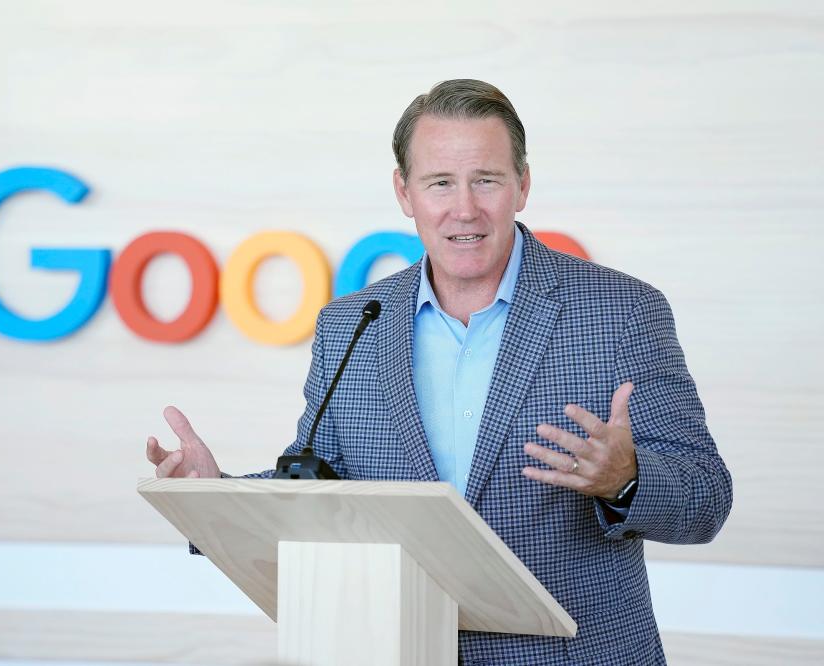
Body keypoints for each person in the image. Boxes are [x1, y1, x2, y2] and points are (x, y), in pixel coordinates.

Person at [145, 79, 732, 664]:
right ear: (404, 192)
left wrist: (626, 479)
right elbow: (319, 490)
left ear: (523, 185)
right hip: (396, 648)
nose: (464, 208)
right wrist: (213, 494)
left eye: (487, 180)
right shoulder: (353, 323)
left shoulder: (620, 312)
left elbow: (707, 496)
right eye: (440, 183)